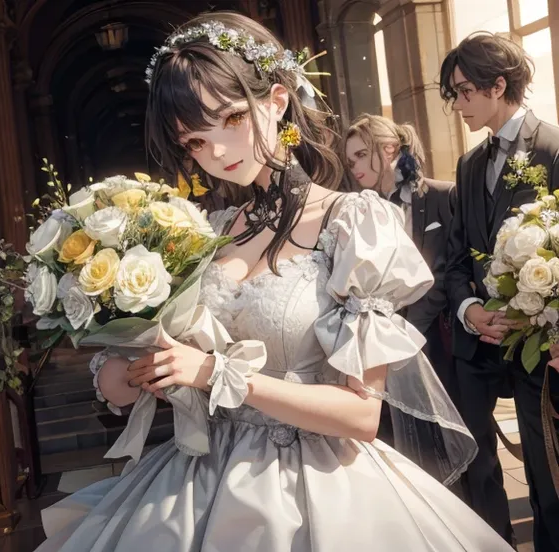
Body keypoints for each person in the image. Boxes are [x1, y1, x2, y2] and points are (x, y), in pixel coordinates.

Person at [37, 13, 511, 551]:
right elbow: (164, 369)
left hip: (319, 485)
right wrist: (130, 371)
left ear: (278, 101)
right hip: (200, 476)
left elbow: (361, 414)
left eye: (231, 117)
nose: (215, 151)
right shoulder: (204, 233)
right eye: (194, 140)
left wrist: (216, 372)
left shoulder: (352, 222)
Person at [441, 32, 559, 549]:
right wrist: (469, 310)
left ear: (499, 84)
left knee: (548, 475)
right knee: (476, 466)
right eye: (453, 94)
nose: (458, 105)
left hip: (539, 345)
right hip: (478, 346)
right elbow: (455, 256)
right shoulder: (468, 167)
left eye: (463, 91)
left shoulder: (553, 147)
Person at [344, 116, 459, 481]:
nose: (356, 167)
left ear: (389, 148)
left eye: (362, 155)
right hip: (385, 356)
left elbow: (446, 272)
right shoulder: (360, 212)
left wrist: (407, 331)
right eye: (351, 161)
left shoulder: (443, 195)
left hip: (443, 350)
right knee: (404, 462)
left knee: (470, 461)